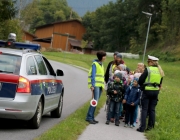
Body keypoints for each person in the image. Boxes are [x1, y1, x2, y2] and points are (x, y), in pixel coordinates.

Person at [137, 55, 164, 132]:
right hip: (155, 92)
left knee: (144, 109)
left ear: (151, 62)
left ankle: (142, 128)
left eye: (148, 61)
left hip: (147, 91)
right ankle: (150, 128)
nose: (148, 63)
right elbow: (160, 82)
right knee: (152, 110)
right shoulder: (160, 70)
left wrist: (142, 85)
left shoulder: (148, 69)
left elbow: (140, 80)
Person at [86, 51, 106, 124]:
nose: (105, 57)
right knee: (94, 102)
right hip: (95, 86)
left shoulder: (101, 64)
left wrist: (102, 86)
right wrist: (92, 85)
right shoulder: (95, 64)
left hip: (100, 86)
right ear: (101, 57)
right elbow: (93, 75)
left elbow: (101, 77)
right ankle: (89, 117)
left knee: (95, 102)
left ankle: (91, 117)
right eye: (104, 56)